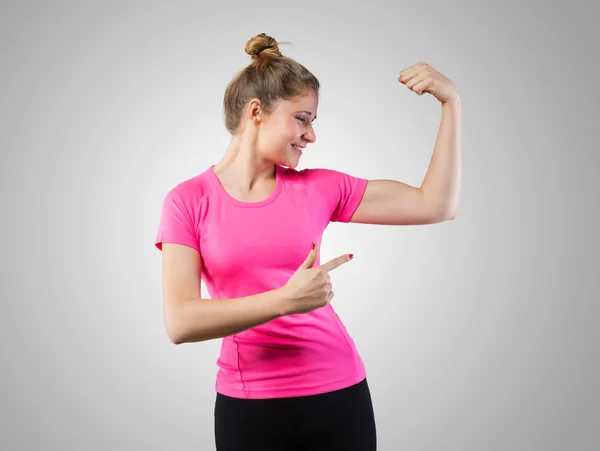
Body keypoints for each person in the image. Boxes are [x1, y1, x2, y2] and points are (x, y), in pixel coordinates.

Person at [154, 33, 461, 451]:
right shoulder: (188, 201)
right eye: (303, 118)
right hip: (250, 407)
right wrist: (285, 300)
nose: (311, 135)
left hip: (339, 396)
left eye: (312, 121)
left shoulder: (318, 188)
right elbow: (181, 322)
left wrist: (451, 105)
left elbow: (435, 204)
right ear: (257, 112)